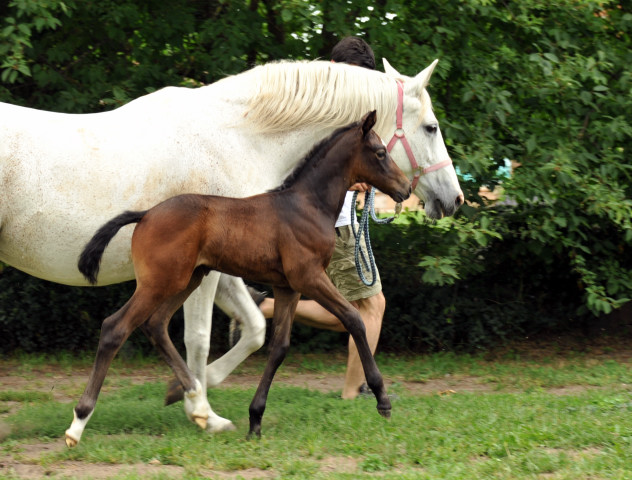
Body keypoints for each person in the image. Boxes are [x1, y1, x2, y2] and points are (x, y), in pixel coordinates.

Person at [254, 36, 386, 400]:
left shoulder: (326, 107)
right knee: (371, 305)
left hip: (325, 219)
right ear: (335, 68)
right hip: (332, 222)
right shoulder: (329, 111)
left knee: (353, 308)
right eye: (354, 76)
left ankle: (263, 307)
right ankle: (350, 392)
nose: (359, 86)